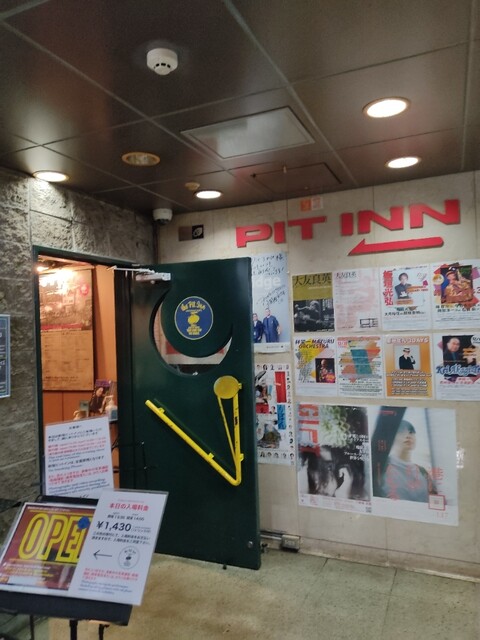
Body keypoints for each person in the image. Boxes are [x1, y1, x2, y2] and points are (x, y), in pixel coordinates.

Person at [380, 420, 436, 502]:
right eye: (401, 432)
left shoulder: (422, 472)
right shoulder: (382, 466)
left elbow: (436, 500)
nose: (408, 436)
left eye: (411, 432)